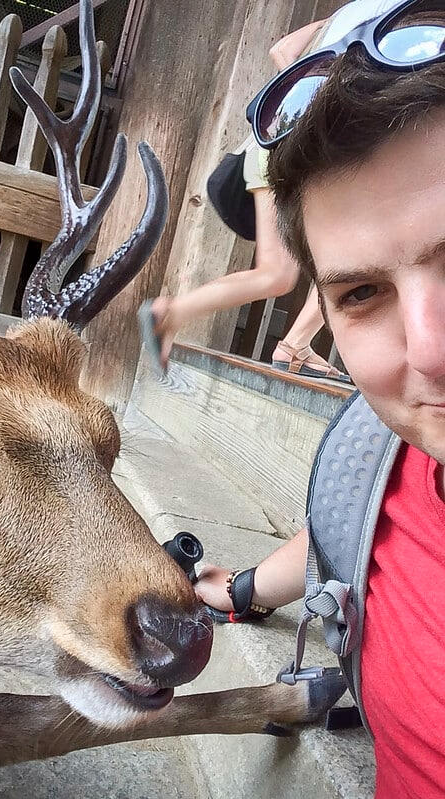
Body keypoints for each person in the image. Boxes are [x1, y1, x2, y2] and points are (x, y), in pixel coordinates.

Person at [195, 1, 445, 797]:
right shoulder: (384, 451)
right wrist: (241, 592)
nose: (430, 350)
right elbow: (351, 527)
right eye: (364, 291)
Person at [150, 16, 352, 381]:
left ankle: (175, 313)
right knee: (345, 252)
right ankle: (294, 345)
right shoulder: (381, 20)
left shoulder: (340, 19)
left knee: (281, 272)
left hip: (271, 147)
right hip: (301, 152)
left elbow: (281, 50)